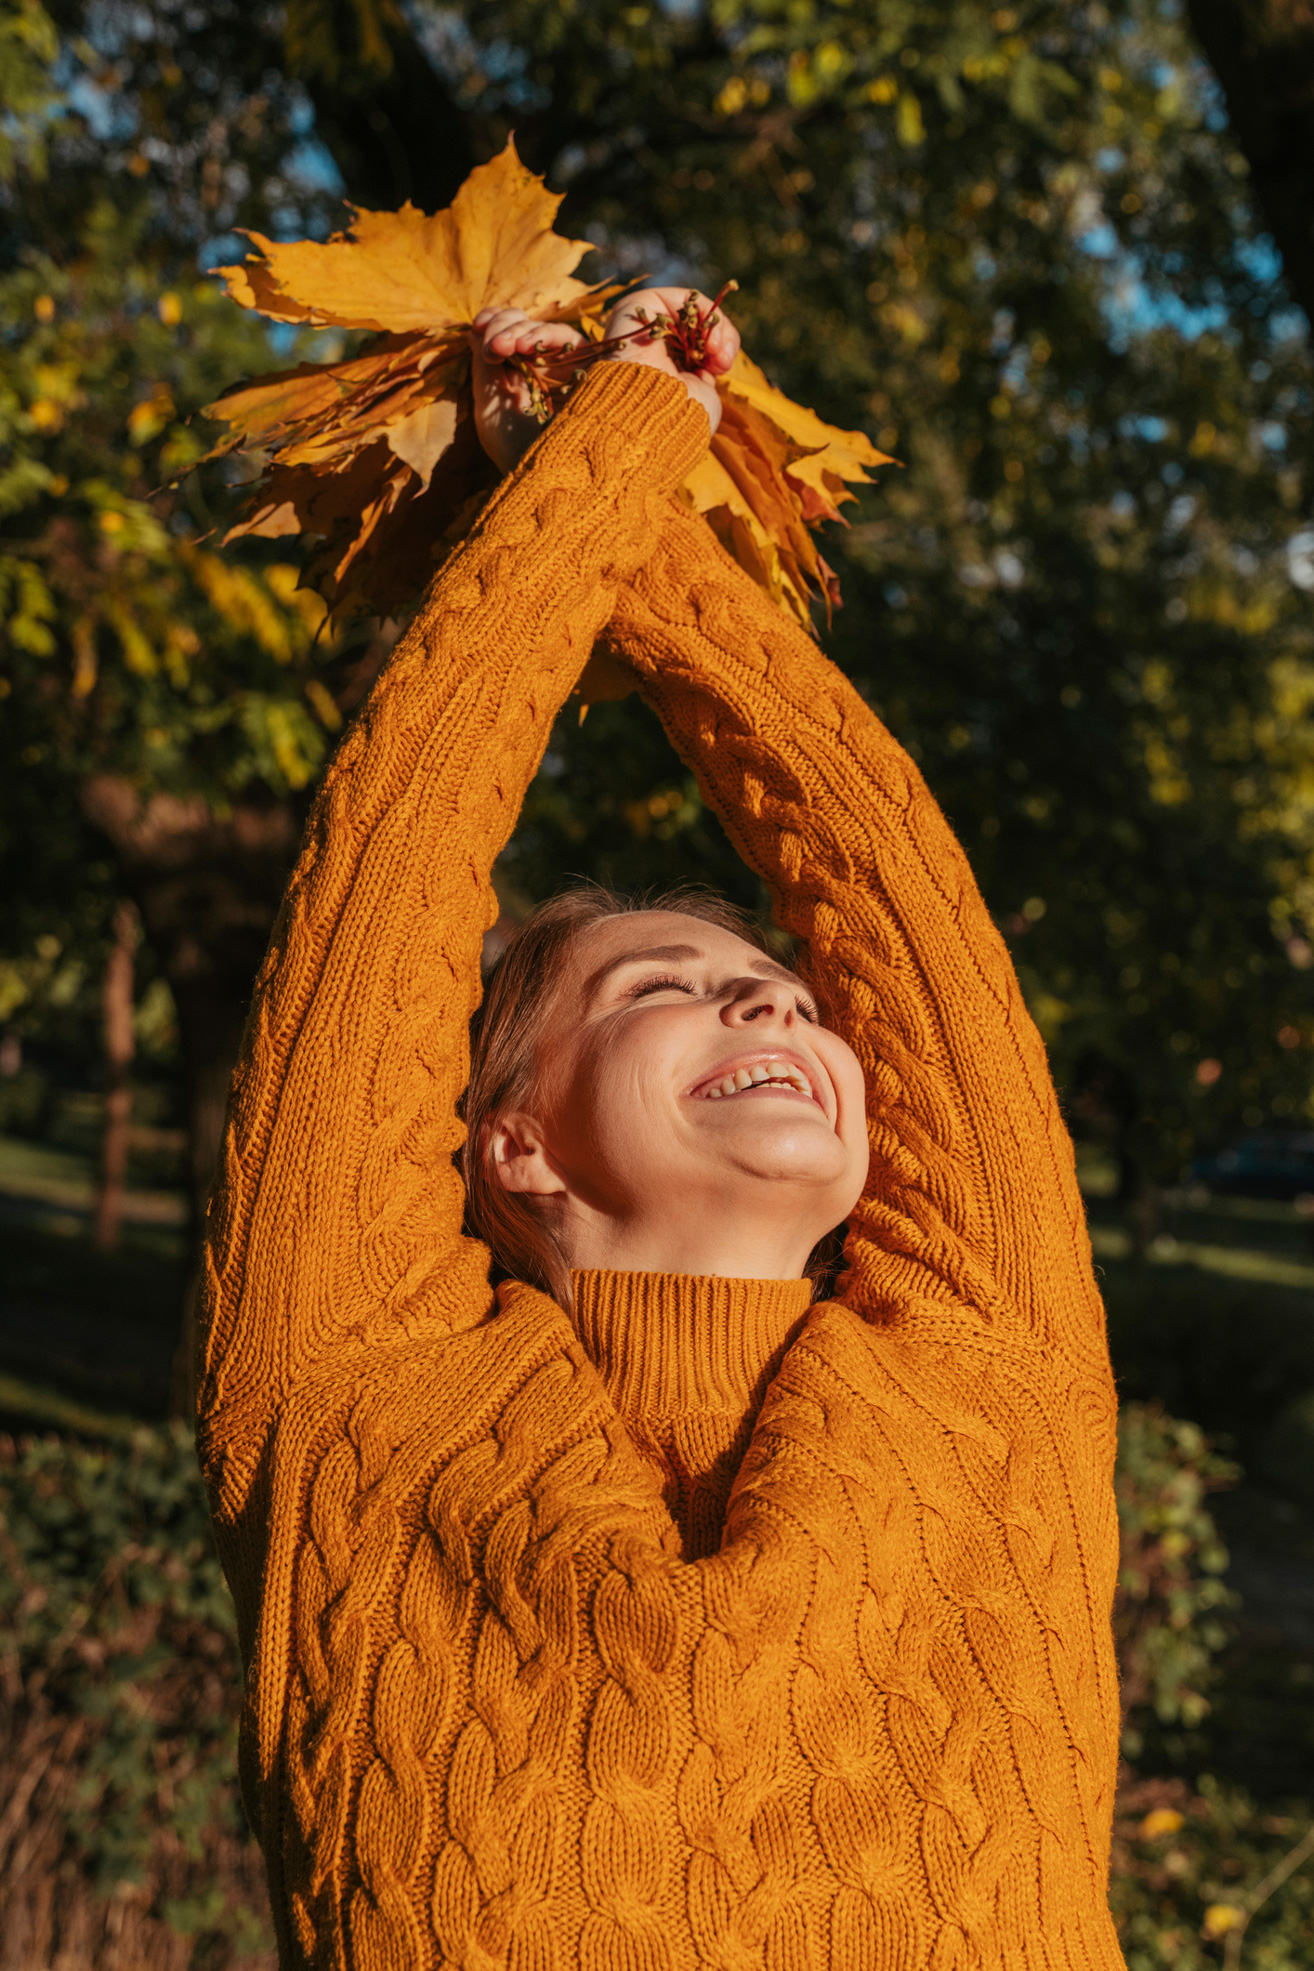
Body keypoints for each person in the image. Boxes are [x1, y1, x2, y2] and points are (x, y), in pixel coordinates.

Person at [198, 288, 1127, 1970]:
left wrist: (618, 477)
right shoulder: (359, 1408)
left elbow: (884, 889)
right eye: (663, 989)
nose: (772, 1010)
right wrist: (590, 466)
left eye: (783, 995)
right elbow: (393, 868)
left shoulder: (991, 1384)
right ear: (511, 1142)